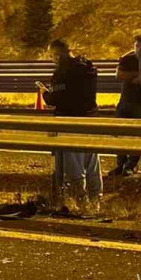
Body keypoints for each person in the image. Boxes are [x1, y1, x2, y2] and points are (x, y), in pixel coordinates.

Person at [41, 39, 101, 201]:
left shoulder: (62, 71)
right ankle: (96, 197)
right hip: (90, 118)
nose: (52, 60)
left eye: (52, 57)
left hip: (69, 121)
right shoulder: (88, 67)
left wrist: (45, 94)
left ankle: (77, 199)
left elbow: (57, 98)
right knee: (91, 162)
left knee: (72, 163)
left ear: (58, 55)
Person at [110, 36, 141, 176]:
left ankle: (130, 165)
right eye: (137, 46)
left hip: (140, 104)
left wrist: (137, 77)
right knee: (119, 134)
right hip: (125, 101)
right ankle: (120, 165)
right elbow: (119, 75)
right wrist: (138, 75)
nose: (139, 49)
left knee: (139, 136)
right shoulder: (128, 59)